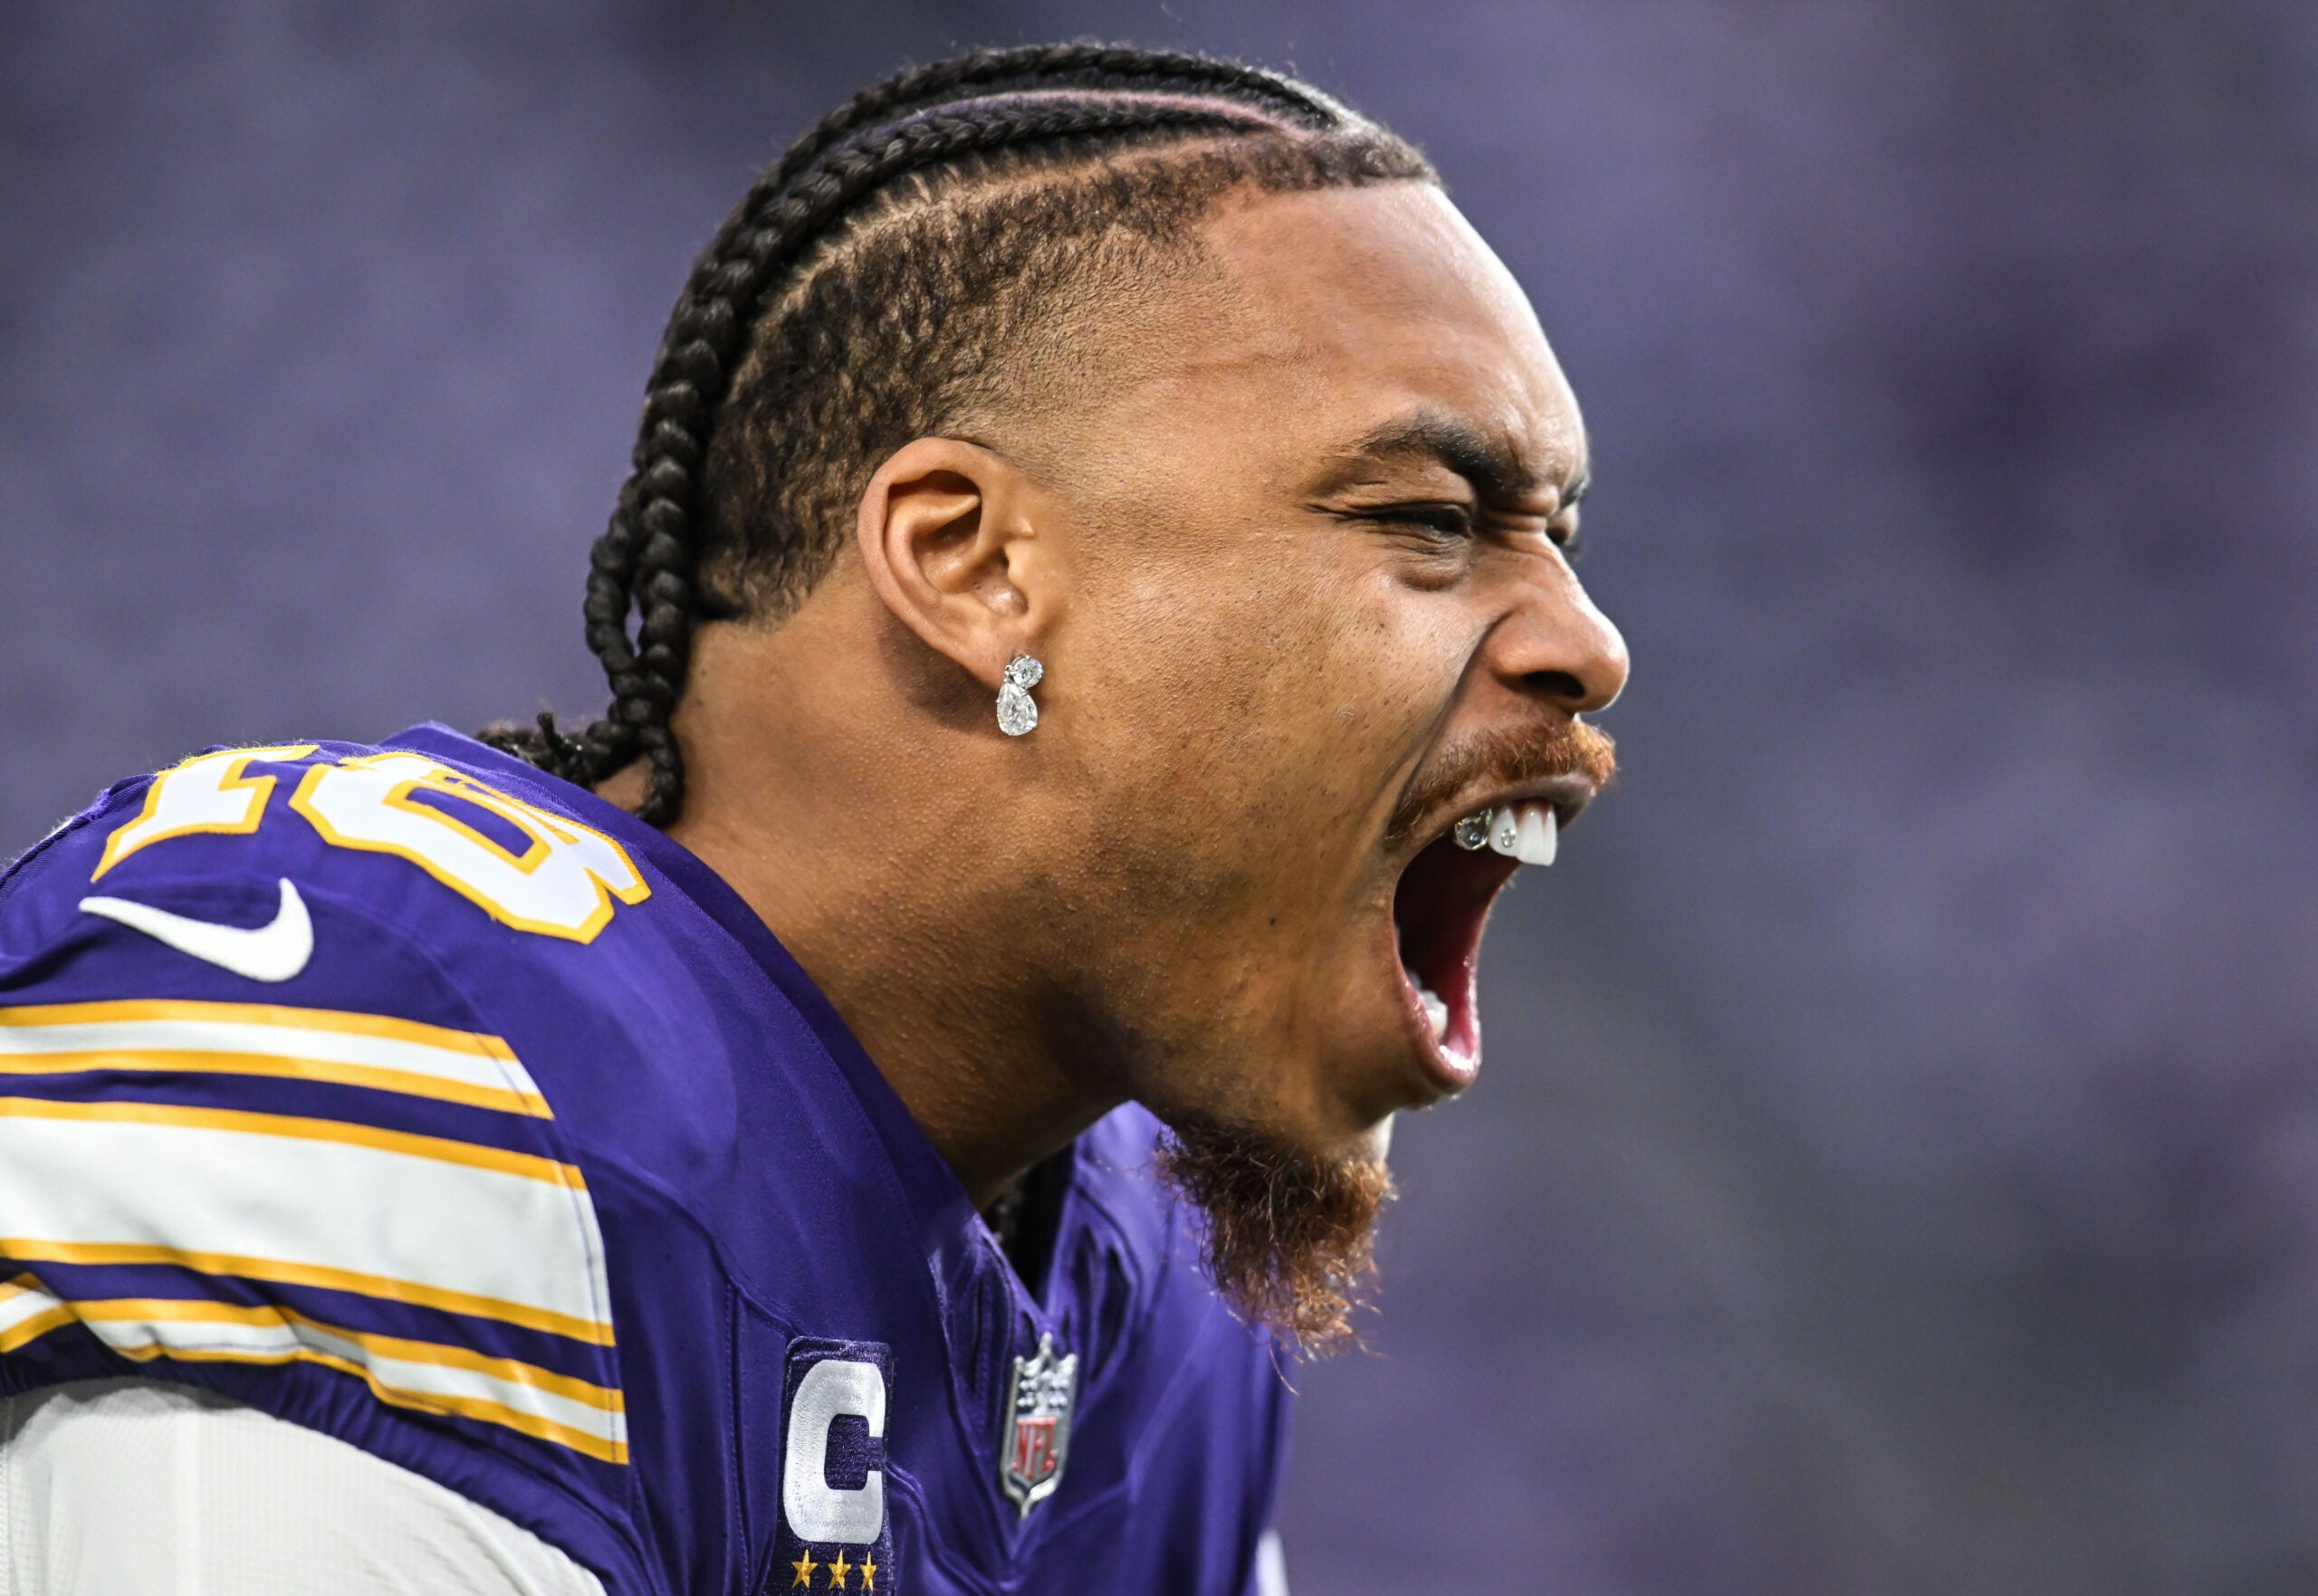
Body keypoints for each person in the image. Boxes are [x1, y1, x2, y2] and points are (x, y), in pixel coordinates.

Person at [0, 43, 1624, 1596]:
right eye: (1429, 519)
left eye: (1555, 534)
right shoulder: (404, 1083)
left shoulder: (1149, 1280)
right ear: (972, 562)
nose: (1590, 644)